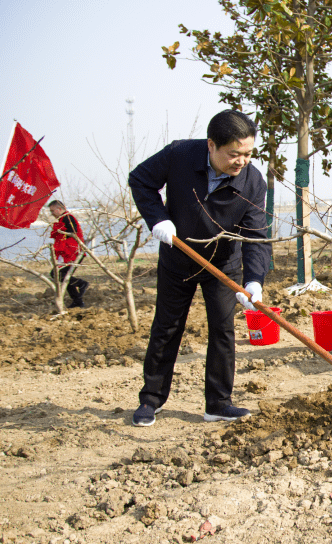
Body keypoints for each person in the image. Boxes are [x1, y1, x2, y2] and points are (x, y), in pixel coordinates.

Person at [127, 109, 271, 427]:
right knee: (166, 328)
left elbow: (256, 235)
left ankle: (218, 403)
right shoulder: (180, 154)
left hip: (223, 263)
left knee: (223, 330)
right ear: (211, 145)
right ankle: (151, 400)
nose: (242, 161)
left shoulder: (252, 181)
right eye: (235, 154)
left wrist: (254, 280)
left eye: (248, 153)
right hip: (178, 258)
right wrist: (157, 219)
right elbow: (140, 180)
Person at [47, 200, 88, 308]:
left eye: (52, 211)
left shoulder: (68, 218)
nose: (52, 213)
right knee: (64, 276)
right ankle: (78, 302)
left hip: (73, 252)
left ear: (59, 209)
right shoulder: (63, 218)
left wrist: (59, 231)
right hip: (68, 253)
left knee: (58, 274)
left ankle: (81, 284)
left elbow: (72, 231)